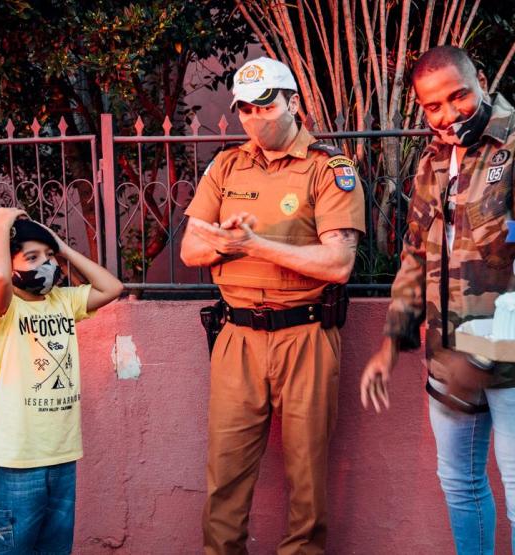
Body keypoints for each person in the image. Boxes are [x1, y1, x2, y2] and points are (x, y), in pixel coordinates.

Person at [359, 46, 515, 555]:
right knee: (459, 486)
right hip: (450, 360)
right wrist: (391, 346)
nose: (448, 113)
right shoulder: (433, 160)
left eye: (458, 96)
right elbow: (415, 257)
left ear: (479, 80)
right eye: (433, 106)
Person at [180, 56, 365, 555]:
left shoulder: (329, 168)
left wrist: (253, 245)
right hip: (236, 336)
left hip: (306, 335)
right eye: (244, 108)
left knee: (307, 477)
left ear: (293, 103)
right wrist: (227, 243)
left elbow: (338, 263)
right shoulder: (226, 166)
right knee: (226, 475)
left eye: (266, 106)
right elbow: (191, 251)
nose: (254, 118)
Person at [0, 208, 123, 554]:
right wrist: (1, 227)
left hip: (61, 453)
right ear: (11, 264)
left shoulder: (63, 301)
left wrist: (62, 247)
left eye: (49, 257)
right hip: (18, 459)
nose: (45, 265)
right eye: (32, 257)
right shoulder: (5, 308)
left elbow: (113, 287)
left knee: (55, 548)